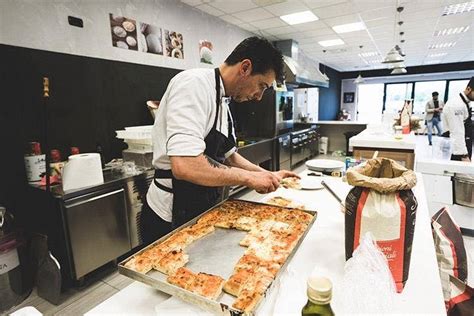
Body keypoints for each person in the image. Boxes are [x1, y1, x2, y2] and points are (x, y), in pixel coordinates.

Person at [142, 37, 298, 244]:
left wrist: (267, 175)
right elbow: (185, 165)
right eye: (261, 85)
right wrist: (248, 179)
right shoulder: (193, 84)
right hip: (170, 214)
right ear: (245, 67)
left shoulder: (223, 100)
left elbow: (230, 156)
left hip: (200, 206)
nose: (259, 96)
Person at [442, 77, 474, 162]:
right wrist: (464, 155)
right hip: (456, 149)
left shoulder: (466, 102)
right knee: (461, 174)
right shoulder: (456, 105)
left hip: (465, 143)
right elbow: (457, 132)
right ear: (468, 89)